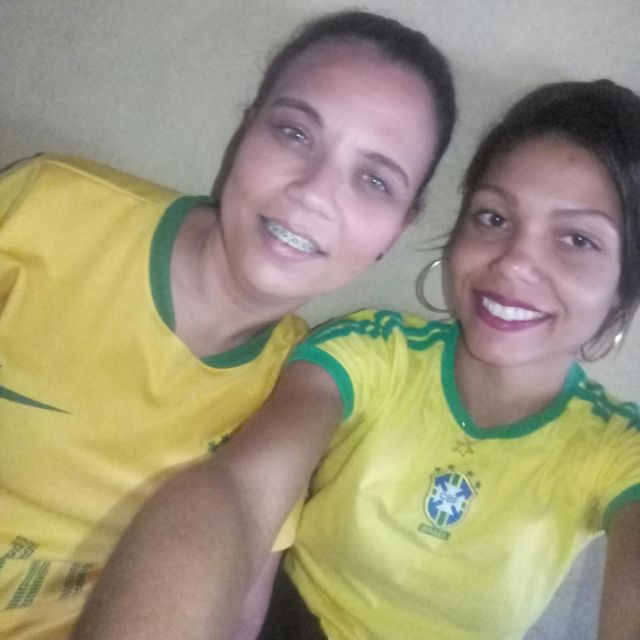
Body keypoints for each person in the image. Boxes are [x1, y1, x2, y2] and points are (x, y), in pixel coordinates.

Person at [76, 78, 640, 640]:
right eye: (494, 218)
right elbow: (241, 492)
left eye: (578, 240)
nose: (515, 261)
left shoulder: (618, 447)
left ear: (622, 292)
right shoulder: (371, 350)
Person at [0, 10, 456, 640]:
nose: (314, 193)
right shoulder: (51, 209)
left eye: (374, 180)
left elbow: (239, 610)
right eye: (294, 133)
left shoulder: (300, 386)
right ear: (246, 131)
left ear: (399, 227)